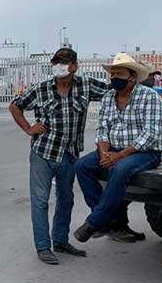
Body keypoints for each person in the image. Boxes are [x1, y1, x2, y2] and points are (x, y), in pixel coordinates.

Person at [10, 47, 109, 264]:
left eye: (63, 62)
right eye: (56, 62)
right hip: (43, 152)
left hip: (69, 153)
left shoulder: (86, 85)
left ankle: (61, 240)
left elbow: (117, 91)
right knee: (40, 201)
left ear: (74, 66)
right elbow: (15, 106)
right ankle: (43, 247)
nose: (59, 66)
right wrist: (28, 128)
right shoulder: (41, 89)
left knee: (66, 199)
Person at [73, 53, 162, 243]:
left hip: (144, 152)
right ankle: (108, 221)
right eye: (112, 73)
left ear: (132, 76)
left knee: (121, 168)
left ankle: (95, 222)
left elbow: (151, 134)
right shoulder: (108, 97)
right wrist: (104, 153)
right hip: (113, 149)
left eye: (119, 74)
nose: (114, 77)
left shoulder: (150, 97)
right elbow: (103, 128)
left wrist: (118, 156)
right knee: (82, 165)